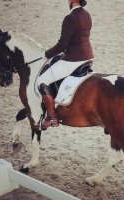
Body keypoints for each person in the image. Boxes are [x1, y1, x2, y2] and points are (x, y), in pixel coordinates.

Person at [37, 0, 94, 129]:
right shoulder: (87, 14)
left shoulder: (69, 18)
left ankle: (52, 117)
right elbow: (79, 39)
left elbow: (62, 45)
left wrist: (46, 54)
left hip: (74, 59)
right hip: (88, 56)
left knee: (42, 81)